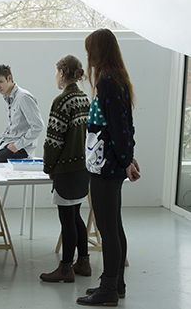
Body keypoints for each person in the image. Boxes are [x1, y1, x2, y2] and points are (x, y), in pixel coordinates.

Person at [77, 28, 141, 306]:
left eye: (90, 50)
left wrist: (126, 161)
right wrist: (129, 157)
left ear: (99, 51)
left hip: (106, 167)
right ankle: (115, 284)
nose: (88, 56)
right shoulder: (117, 80)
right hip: (111, 164)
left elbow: (117, 126)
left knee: (107, 228)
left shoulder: (107, 82)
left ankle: (109, 290)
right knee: (114, 224)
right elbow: (126, 124)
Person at [0, 65, 44, 238]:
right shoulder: (8, 98)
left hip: (21, 149)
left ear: (10, 78)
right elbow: (13, 126)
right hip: (7, 144)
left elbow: (38, 126)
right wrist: (0, 143)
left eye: (0, 82)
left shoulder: (24, 97)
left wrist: (18, 145)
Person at [39, 55, 91, 283]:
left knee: (67, 220)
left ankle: (65, 268)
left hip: (66, 169)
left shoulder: (62, 101)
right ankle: (84, 261)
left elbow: (54, 140)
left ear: (61, 73)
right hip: (83, 168)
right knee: (76, 215)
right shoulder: (84, 98)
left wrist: (48, 165)